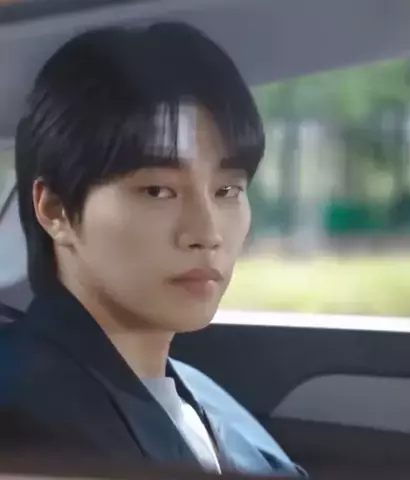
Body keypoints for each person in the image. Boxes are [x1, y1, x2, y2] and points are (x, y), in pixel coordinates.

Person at [0, 22, 305, 477]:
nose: (206, 233)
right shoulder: (26, 421)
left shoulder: (197, 392)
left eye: (227, 191)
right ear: (55, 209)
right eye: (158, 191)